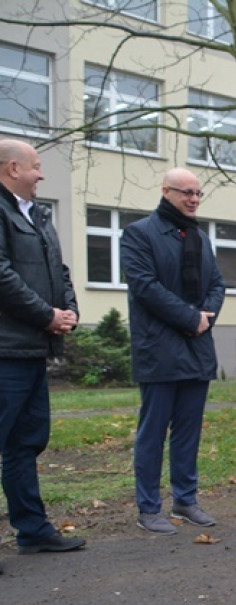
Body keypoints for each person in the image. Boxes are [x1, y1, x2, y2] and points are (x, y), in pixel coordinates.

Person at [122, 167, 225, 534]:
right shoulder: (138, 234)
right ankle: (149, 508)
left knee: (188, 430)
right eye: (187, 193)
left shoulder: (200, 237)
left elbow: (216, 284)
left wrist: (204, 320)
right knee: (153, 432)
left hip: (197, 348)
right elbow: (144, 286)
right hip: (159, 350)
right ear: (166, 191)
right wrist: (190, 317)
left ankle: (185, 500)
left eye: (198, 194)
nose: (194, 199)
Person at [0, 139, 86, 562]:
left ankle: (32, 530)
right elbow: (1, 275)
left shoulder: (38, 215)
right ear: (12, 168)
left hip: (31, 349)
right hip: (5, 349)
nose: (41, 174)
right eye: (35, 167)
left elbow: (59, 269)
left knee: (26, 442)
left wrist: (67, 310)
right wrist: (45, 315)